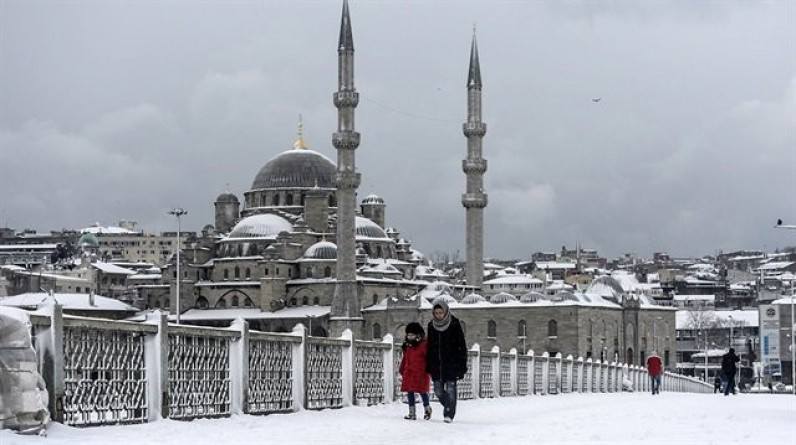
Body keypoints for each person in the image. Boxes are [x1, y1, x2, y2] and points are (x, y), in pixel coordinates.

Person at [426, 298, 468, 423]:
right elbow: (430, 346)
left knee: (451, 389)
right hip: (437, 364)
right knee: (438, 391)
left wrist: (461, 364)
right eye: (436, 313)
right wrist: (429, 363)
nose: (438, 315)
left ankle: (449, 413)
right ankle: (450, 405)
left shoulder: (454, 324)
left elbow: (461, 345)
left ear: (445, 312)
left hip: (452, 363)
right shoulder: (431, 326)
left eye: (440, 313)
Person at [399, 322, 432, 421]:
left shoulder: (424, 345)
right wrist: (402, 369)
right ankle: (412, 413)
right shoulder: (408, 345)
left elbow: (429, 358)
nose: (410, 337)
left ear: (418, 335)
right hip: (409, 372)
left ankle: (427, 409)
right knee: (410, 391)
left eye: (412, 335)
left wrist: (429, 368)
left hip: (421, 372)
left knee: (422, 391)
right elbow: (405, 358)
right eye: (408, 335)